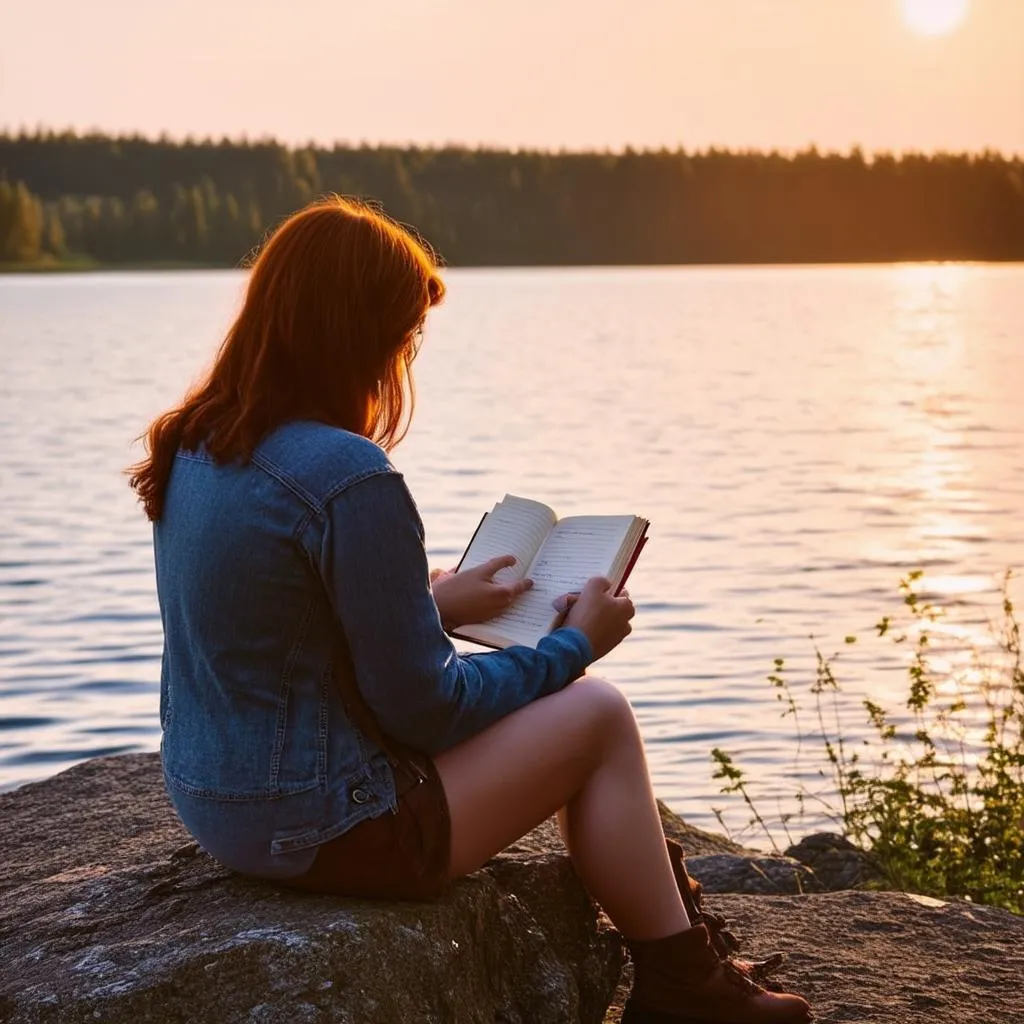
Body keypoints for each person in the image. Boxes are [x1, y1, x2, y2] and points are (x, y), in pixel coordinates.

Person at [129, 196, 811, 1024]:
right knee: (597, 716)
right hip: (323, 829)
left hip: (216, 803)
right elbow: (426, 709)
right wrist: (571, 645)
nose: (404, 360)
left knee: (569, 709)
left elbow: (273, 624)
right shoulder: (351, 477)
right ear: (364, 335)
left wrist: (429, 601)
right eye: (405, 337)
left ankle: (688, 956)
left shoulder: (196, 442)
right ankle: (686, 984)